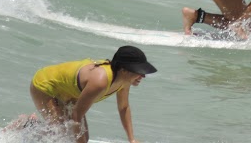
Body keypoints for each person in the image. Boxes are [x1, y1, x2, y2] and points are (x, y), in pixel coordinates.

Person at [24, 45, 157, 143]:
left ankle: (32, 125)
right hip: (46, 85)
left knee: (81, 138)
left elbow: (123, 108)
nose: (143, 76)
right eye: (139, 71)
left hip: (70, 93)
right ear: (123, 70)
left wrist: (131, 139)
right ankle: (27, 125)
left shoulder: (124, 80)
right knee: (61, 132)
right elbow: (76, 115)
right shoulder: (100, 81)